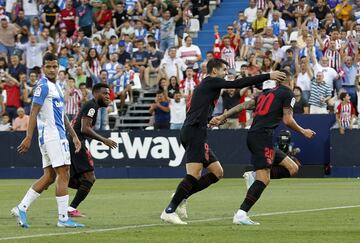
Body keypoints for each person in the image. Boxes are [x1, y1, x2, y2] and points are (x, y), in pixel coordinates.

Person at [159, 58, 287, 225]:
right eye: (224, 70)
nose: (226, 73)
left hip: (197, 129)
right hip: (194, 131)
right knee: (194, 174)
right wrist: (268, 75)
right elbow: (238, 84)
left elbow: (197, 109)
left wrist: (210, 119)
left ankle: (181, 195)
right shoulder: (211, 81)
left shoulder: (207, 86)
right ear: (214, 71)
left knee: (217, 172)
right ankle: (169, 210)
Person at [209, 70, 315, 225]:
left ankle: (253, 176)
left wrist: (223, 116)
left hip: (257, 136)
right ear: (291, 81)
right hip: (261, 137)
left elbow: (244, 105)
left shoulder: (265, 94)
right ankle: (241, 214)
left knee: (292, 168)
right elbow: (287, 119)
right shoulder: (288, 94)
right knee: (264, 178)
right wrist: (303, 131)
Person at [12, 53, 84, 228]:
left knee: (50, 176)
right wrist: (28, 136)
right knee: (64, 173)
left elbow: (62, 115)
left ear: (58, 67)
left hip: (52, 137)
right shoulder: (43, 86)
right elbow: (34, 111)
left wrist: (74, 135)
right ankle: (63, 219)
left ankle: (21, 207)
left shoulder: (56, 86)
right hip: (53, 137)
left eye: (55, 66)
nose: (52, 69)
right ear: (43, 68)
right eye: (49, 67)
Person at [67, 83, 117, 217]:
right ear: (95, 94)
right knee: (89, 178)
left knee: (80, 179)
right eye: (104, 93)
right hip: (77, 142)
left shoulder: (91, 106)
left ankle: (60, 183)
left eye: (108, 94)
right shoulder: (92, 106)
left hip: (72, 141)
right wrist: (104, 140)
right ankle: (71, 209)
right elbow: (85, 128)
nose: (108, 96)